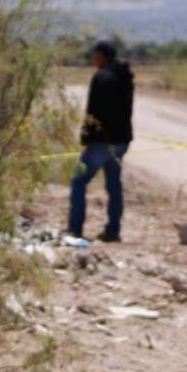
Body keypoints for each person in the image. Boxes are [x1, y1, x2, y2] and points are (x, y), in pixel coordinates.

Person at [68, 40, 134, 243]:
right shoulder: (126, 77)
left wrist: (85, 137)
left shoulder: (101, 77)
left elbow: (93, 111)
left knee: (78, 181)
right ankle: (113, 231)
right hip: (121, 141)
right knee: (114, 185)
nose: (94, 60)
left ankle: (75, 230)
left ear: (102, 56)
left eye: (95, 56)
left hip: (100, 142)